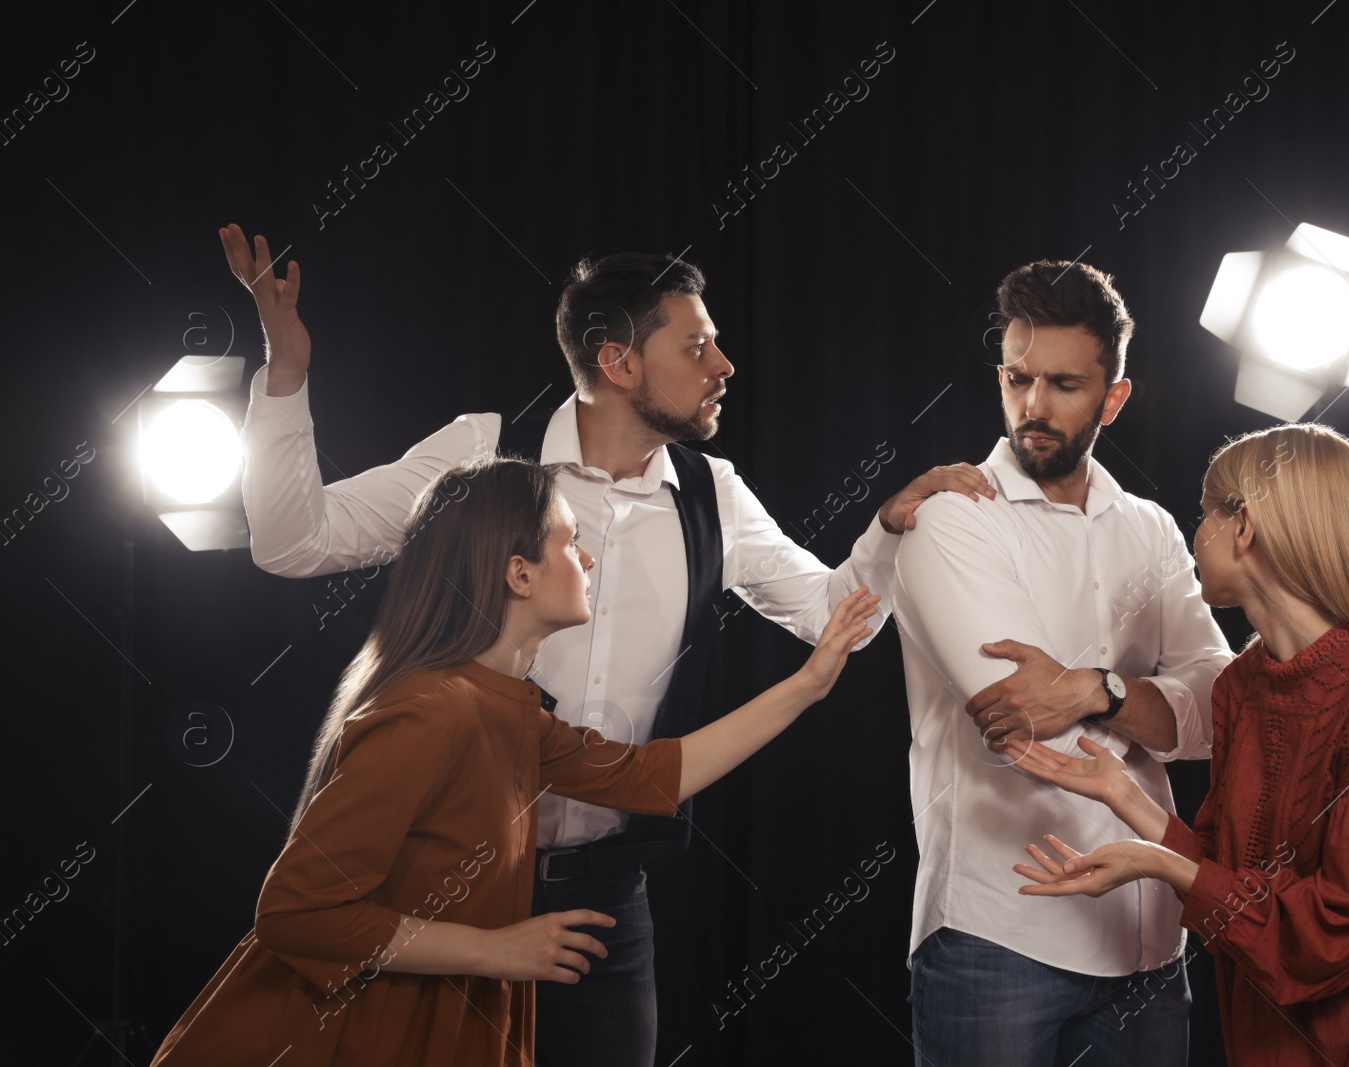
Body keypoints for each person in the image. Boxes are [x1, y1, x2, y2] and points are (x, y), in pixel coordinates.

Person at [216, 224, 991, 1064]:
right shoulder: (483, 458)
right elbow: (295, 543)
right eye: (697, 346)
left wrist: (886, 529)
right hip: (448, 887)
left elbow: (834, 616)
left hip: (605, 897)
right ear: (618, 362)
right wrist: (286, 375)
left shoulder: (712, 494)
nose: (723, 366)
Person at [149, 457, 881, 1066]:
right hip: (356, 1035)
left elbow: (653, 774)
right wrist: (495, 949)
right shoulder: (433, 710)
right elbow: (294, 915)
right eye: (569, 540)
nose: (587, 557)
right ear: (519, 574)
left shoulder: (508, 710)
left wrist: (810, 683)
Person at [1007, 423, 1349, 1066]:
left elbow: (1339, 931)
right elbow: (1241, 878)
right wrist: (1126, 796)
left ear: (1245, 525)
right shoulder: (1242, 687)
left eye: (1202, 514)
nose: (1192, 536)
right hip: (1283, 1031)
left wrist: (1160, 864)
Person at [890, 259, 1232, 1066]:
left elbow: (1221, 712)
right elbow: (1017, 716)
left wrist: (1092, 689)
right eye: (1018, 378)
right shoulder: (951, 520)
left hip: (1147, 939)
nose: (1033, 407)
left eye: (1065, 385)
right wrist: (1148, 705)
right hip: (999, 932)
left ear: (1113, 397)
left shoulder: (1150, 528)